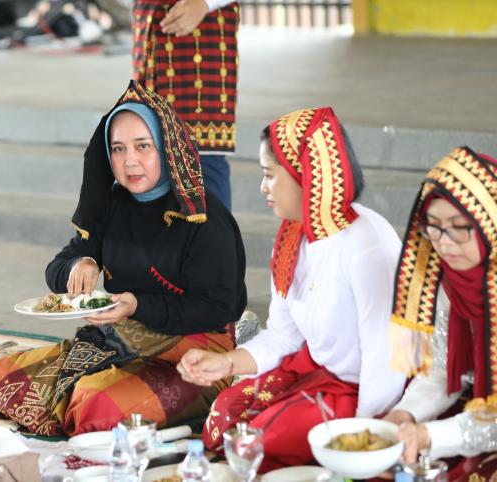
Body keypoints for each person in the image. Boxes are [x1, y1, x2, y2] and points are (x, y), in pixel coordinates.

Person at [0, 81, 247, 436]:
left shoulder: (203, 219)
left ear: (167, 148)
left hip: (197, 352)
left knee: (95, 405)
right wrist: (81, 264)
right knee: (1, 377)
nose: (130, 161)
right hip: (123, 340)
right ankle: (93, 394)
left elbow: (217, 308)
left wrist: (138, 305)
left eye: (143, 147)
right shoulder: (112, 205)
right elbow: (58, 268)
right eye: (118, 149)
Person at [177, 107, 406, 472]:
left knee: (259, 442)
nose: (263, 188)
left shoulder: (366, 243)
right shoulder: (292, 235)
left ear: (308, 176)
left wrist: (362, 440)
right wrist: (227, 362)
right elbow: (283, 336)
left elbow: (387, 359)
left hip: (365, 391)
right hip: (312, 369)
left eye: (270, 175)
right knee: (222, 421)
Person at [383, 147, 497, 468]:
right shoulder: (450, 282)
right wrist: (404, 415)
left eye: (459, 227)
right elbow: (442, 373)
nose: (443, 242)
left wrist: (427, 436)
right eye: (432, 226)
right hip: (480, 405)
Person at [133, 0, 239, 210]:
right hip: (150, 28)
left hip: (199, 31)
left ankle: (213, 242)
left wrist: (206, 3)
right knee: (148, 154)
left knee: (200, 157)